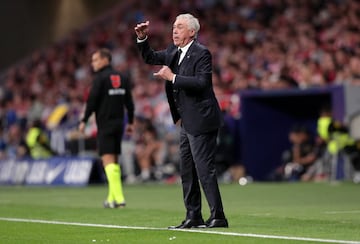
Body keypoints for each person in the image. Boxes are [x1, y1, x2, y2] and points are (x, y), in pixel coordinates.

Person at [135, 13, 228, 228]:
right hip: (187, 121)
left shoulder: (201, 53)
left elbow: (202, 83)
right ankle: (193, 215)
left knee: (204, 169)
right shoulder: (173, 51)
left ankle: (218, 216)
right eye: (174, 27)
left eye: (179, 27)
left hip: (202, 120)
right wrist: (142, 39)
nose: (174, 30)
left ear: (192, 32)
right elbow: (149, 57)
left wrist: (173, 78)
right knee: (187, 170)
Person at [78, 48, 134, 208]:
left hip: (105, 124)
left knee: (107, 161)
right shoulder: (122, 77)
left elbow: (92, 102)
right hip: (119, 125)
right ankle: (111, 199)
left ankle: (120, 198)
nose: (93, 63)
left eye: (95, 60)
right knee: (114, 162)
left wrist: (84, 120)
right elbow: (129, 102)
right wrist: (130, 122)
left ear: (105, 60)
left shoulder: (100, 78)